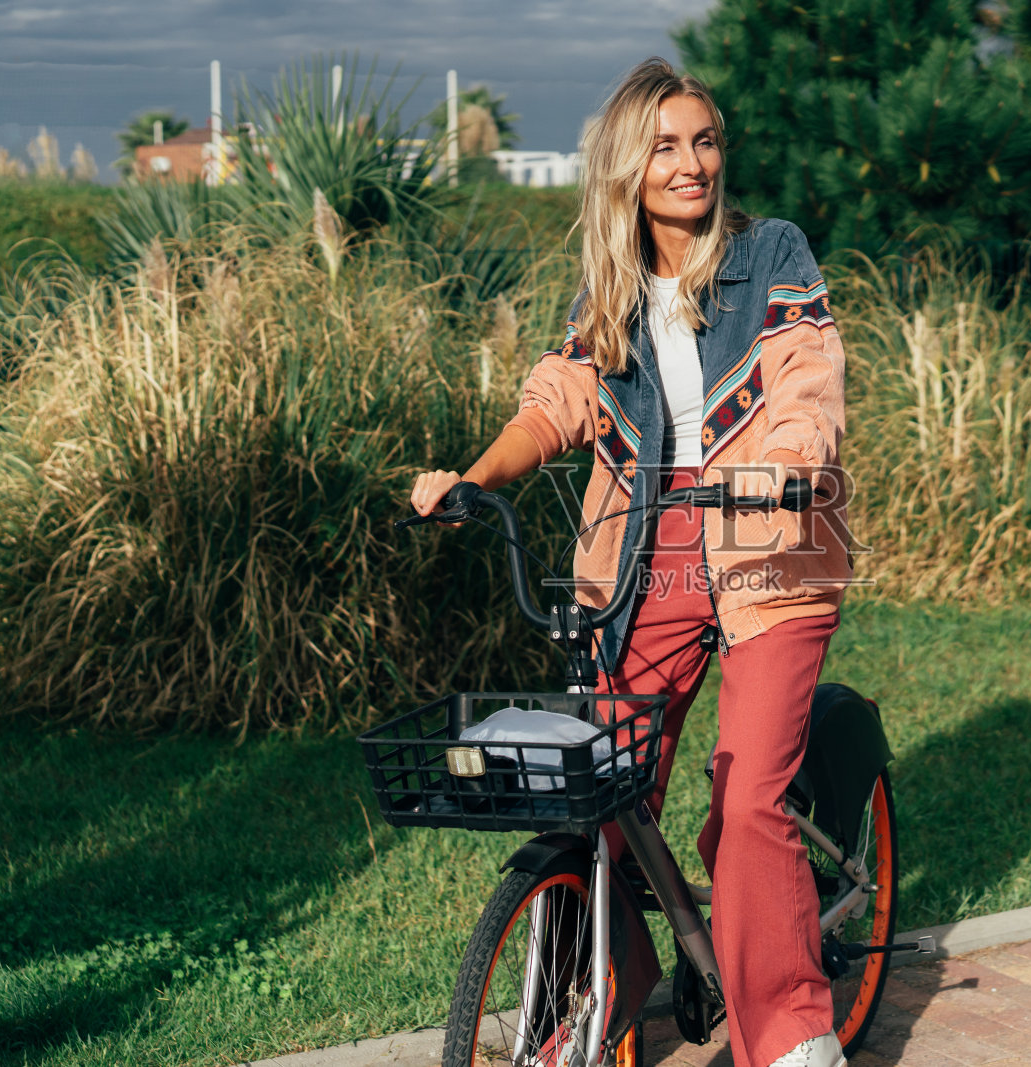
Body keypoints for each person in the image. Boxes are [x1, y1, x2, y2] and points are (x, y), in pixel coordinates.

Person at [410, 57, 853, 1067]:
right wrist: (473, 478)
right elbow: (556, 402)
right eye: (665, 146)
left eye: (704, 141)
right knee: (596, 777)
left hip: (768, 549)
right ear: (625, 167)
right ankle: (614, 978)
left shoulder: (769, 253)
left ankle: (792, 1034)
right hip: (642, 555)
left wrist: (787, 466)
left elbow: (804, 377)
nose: (691, 163)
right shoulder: (607, 288)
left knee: (745, 803)